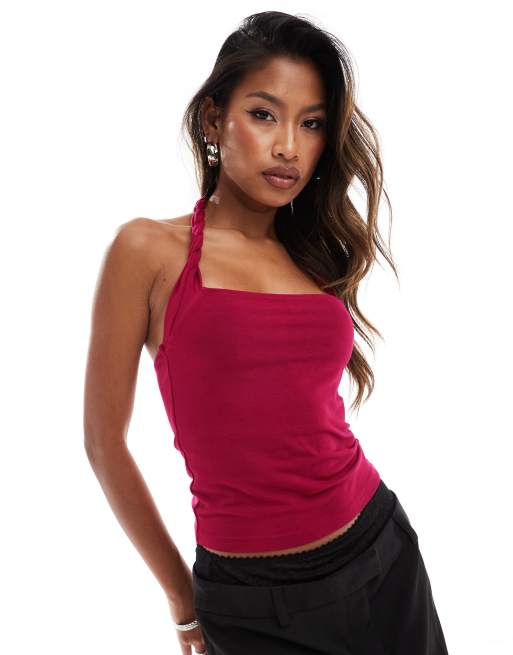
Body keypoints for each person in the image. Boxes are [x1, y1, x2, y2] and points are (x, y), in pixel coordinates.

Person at [83, 10, 449, 655]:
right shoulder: (148, 250)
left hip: (381, 552)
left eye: (311, 123)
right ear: (213, 120)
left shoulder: (312, 257)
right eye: (263, 114)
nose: (288, 146)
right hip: (252, 601)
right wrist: (181, 598)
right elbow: (103, 443)